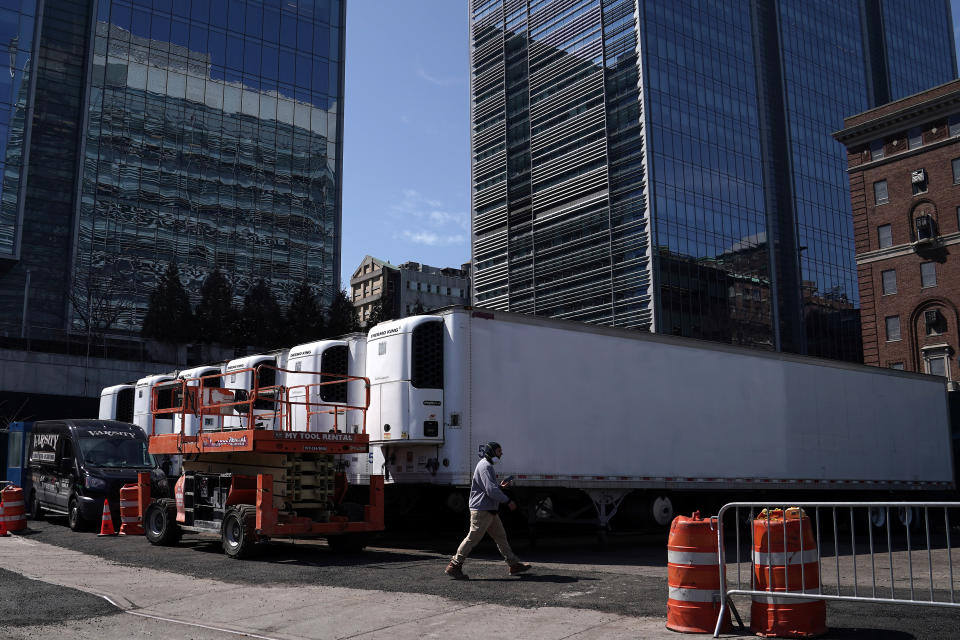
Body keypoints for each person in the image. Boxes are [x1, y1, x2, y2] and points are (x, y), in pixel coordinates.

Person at [445, 441, 531, 580]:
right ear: (491, 452)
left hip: (488, 509)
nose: (501, 454)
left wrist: (500, 487)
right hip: (482, 510)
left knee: (500, 537)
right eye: (498, 451)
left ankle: (513, 564)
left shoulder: (486, 466)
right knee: (472, 538)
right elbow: (490, 490)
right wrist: (508, 500)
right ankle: (454, 565)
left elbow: (489, 488)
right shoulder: (485, 466)